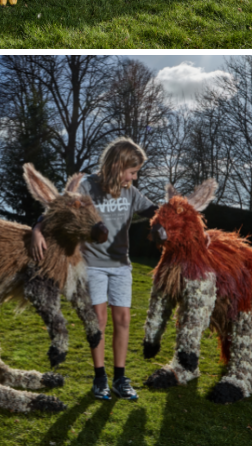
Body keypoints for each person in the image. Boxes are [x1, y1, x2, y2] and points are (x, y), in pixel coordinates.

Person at [31, 138, 157, 400]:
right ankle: (100, 379)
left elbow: (158, 213)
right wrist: (37, 229)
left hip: (121, 266)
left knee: (123, 320)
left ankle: (121, 378)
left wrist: (185, 221)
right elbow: (59, 210)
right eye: (132, 172)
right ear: (117, 165)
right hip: (93, 267)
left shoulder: (131, 194)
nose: (133, 178)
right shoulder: (87, 186)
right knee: (98, 321)